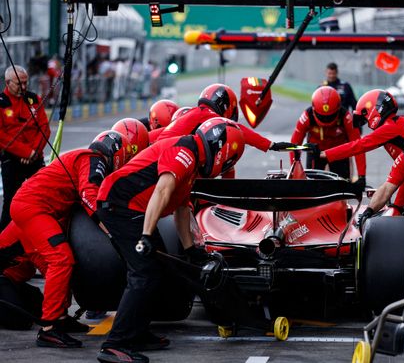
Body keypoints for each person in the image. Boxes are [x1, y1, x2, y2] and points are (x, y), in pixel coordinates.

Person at [95, 118, 246, 363]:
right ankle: (115, 344)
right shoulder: (185, 152)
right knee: (143, 273)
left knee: (159, 269)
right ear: (223, 153)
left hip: (134, 210)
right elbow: (163, 191)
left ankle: (138, 333)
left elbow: (181, 208)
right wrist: (145, 236)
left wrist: (191, 250)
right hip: (120, 206)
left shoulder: (194, 160)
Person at [9, 131, 130, 348]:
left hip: (32, 207)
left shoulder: (84, 158)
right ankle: (49, 328)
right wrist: (114, 233)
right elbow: (90, 197)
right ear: (116, 154)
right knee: (61, 259)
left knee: (56, 264)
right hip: (33, 208)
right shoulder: (94, 160)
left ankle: (61, 318)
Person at [157, 84, 292, 178]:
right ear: (225, 105)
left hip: (163, 153)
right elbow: (239, 130)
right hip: (168, 157)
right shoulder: (207, 115)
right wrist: (271, 145)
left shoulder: (196, 113)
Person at [320, 89, 404, 214]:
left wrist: (325, 154)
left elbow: (359, 146)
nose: (367, 124)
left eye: (365, 117)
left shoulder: (389, 128)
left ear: (376, 110)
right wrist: (398, 206)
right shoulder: (397, 123)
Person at [0, 65, 51, 231]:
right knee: (11, 203)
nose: (23, 87)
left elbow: (44, 127)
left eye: (25, 83)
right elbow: (2, 136)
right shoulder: (2, 103)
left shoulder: (33, 99)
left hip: (35, 158)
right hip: (12, 159)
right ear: (8, 83)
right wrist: (25, 152)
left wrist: (33, 152)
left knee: (45, 197)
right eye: (19, 84)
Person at [290, 86, 366, 181]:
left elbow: (359, 146)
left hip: (339, 152)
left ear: (338, 109)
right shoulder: (306, 116)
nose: (326, 121)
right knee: (311, 185)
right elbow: (295, 144)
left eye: (330, 116)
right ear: (314, 110)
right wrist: (294, 170)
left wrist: (362, 176)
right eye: (321, 116)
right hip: (316, 152)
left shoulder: (346, 117)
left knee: (343, 184)